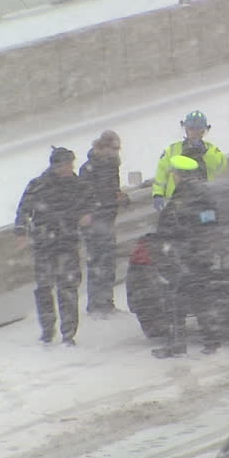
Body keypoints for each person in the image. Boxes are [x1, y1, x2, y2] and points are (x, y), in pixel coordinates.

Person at [15, 147, 93, 346]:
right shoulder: (38, 185)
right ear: (56, 165)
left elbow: (90, 205)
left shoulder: (77, 185)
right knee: (44, 289)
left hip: (67, 242)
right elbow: (23, 210)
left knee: (68, 288)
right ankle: (48, 329)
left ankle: (68, 333)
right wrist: (21, 232)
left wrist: (87, 215)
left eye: (71, 164)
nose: (70, 168)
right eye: (67, 164)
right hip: (44, 245)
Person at [151, 155, 224, 358]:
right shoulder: (202, 193)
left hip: (186, 256)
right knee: (201, 300)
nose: (173, 176)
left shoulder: (185, 196)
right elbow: (209, 223)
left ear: (180, 175)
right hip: (198, 255)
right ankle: (211, 341)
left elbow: (180, 225)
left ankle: (178, 343)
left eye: (174, 173)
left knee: (176, 301)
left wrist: (179, 243)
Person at [79, 130, 130, 318]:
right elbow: (86, 196)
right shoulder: (89, 168)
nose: (117, 152)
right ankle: (96, 305)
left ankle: (106, 303)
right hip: (95, 222)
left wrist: (121, 198)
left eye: (118, 148)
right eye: (114, 148)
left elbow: (111, 191)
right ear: (104, 147)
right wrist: (95, 210)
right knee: (98, 263)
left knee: (107, 263)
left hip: (107, 219)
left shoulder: (111, 166)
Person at [152, 110, 227, 211]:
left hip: (204, 199)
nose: (194, 133)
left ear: (203, 131)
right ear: (186, 129)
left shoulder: (211, 149)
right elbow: (161, 174)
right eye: (191, 129)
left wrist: (205, 152)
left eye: (198, 129)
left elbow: (220, 165)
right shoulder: (172, 150)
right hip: (177, 201)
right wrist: (158, 194)